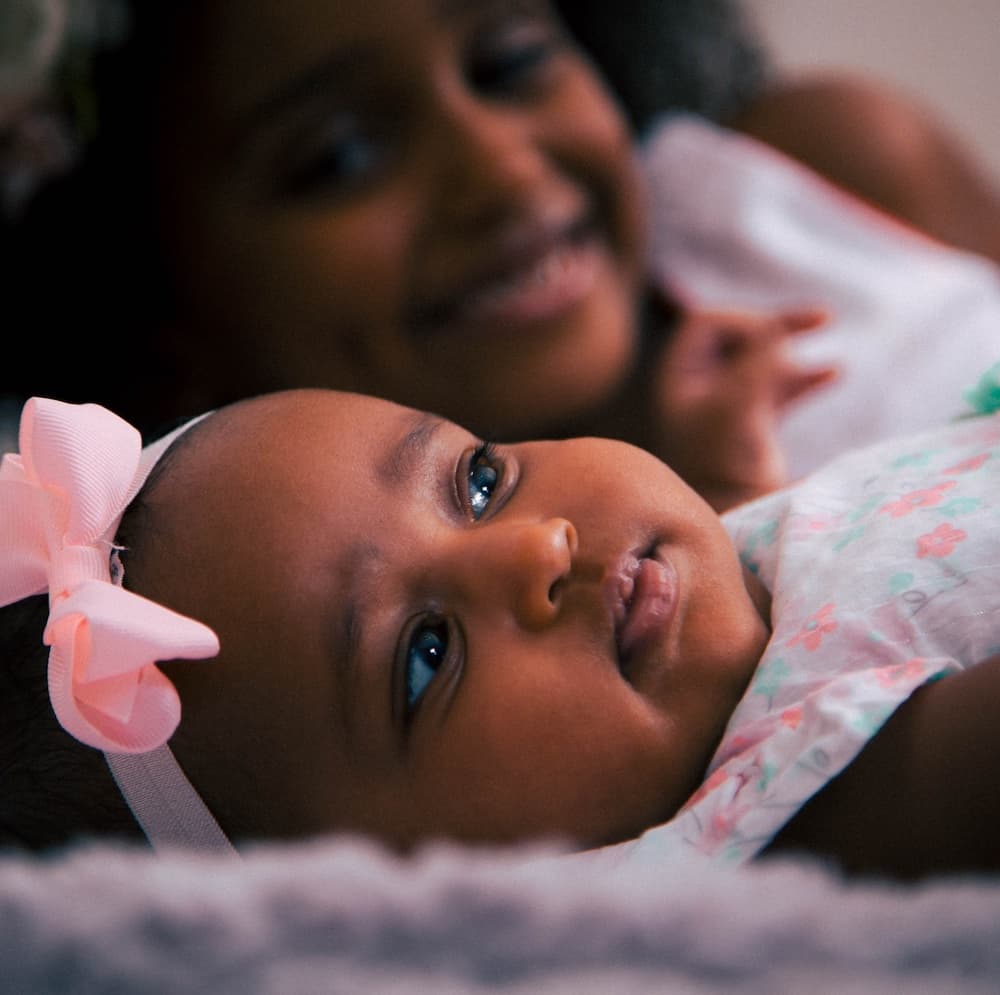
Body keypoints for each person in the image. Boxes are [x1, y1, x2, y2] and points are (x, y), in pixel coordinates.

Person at [4, 0, 1000, 508]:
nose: (500, 167)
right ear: (157, 325)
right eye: (338, 155)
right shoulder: (345, 715)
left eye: (508, 61)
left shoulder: (821, 174)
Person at [3, 388, 1000, 881]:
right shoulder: (774, 834)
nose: (538, 549)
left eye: (478, 481)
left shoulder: (714, 595)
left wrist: (738, 479)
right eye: (426, 656)